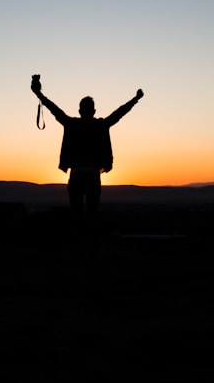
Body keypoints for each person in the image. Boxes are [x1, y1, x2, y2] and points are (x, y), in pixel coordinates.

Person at [31, 74, 143, 256]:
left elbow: (53, 109)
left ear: (80, 110)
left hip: (76, 176)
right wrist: (135, 99)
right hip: (92, 177)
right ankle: (92, 250)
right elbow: (119, 113)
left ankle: (77, 250)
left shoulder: (71, 124)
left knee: (76, 214)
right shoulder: (101, 125)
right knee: (92, 214)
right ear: (94, 110)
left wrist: (38, 93)